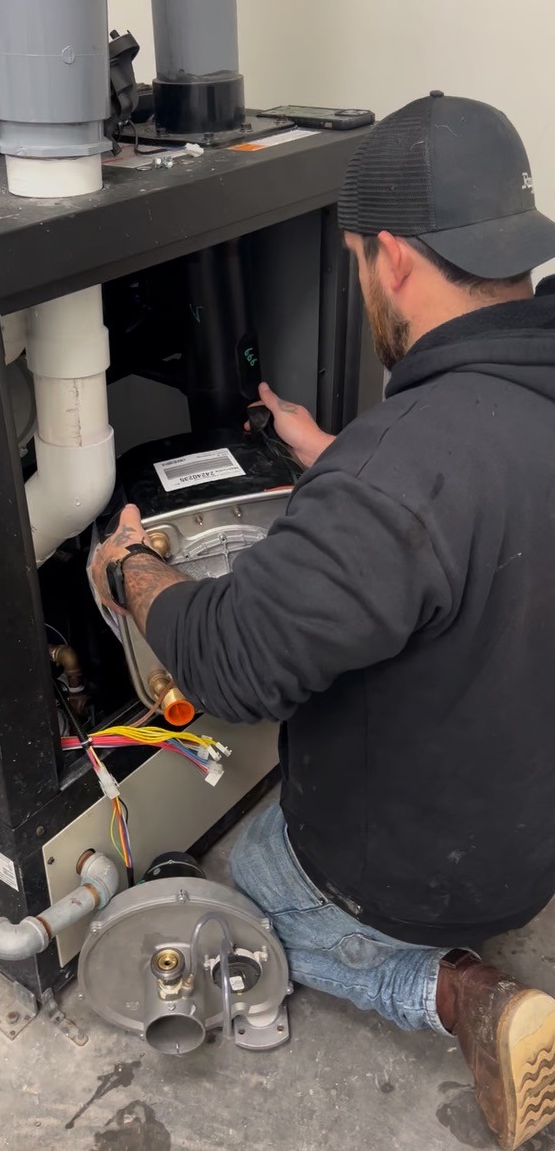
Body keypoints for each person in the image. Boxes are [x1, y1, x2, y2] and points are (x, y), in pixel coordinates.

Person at [91, 93, 555, 1150]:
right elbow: (467, 492)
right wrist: (339, 453)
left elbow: (238, 667)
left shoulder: (403, 468)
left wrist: (137, 573)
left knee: (252, 879)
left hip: (442, 875)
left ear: (389, 259)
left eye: (353, 261)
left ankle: (464, 997)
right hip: (534, 824)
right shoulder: (456, 432)